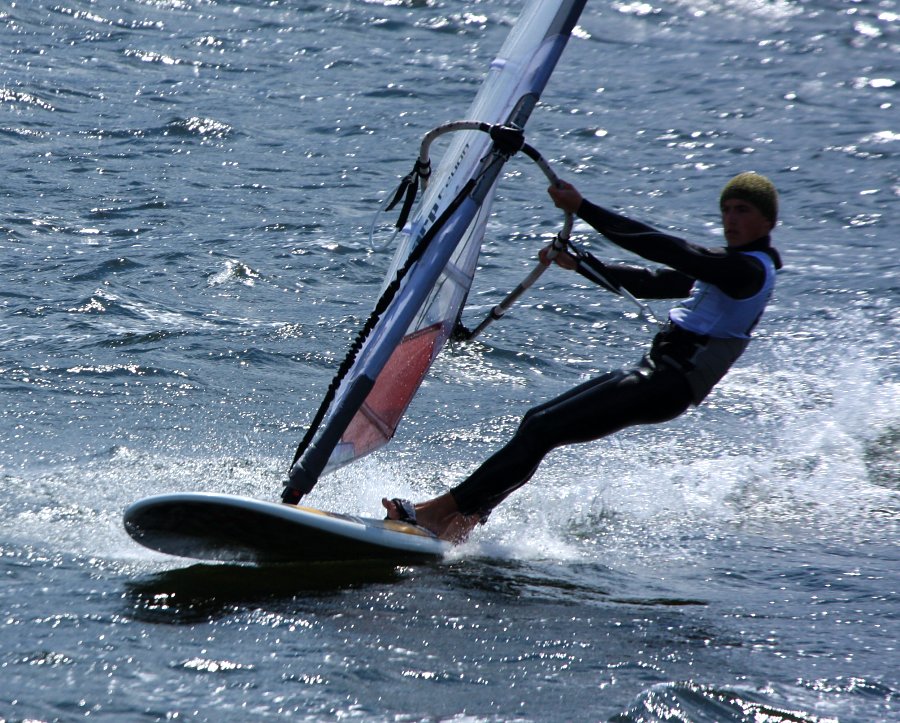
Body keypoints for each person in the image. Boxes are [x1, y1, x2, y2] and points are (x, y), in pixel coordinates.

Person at [383, 172, 783, 542]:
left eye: (742, 210)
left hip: (671, 383)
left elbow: (673, 252)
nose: (731, 219)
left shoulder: (747, 271)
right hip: (658, 374)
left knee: (543, 429)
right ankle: (462, 521)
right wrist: (582, 264)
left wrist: (584, 209)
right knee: (537, 425)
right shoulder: (727, 267)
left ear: (767, 221)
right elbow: (655, 281)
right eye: (726, 210)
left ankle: (439, 515)